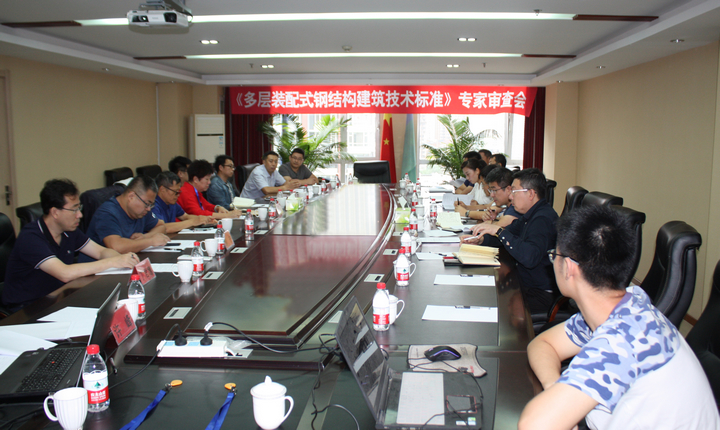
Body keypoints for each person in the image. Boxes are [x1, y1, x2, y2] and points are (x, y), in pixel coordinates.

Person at [518, 206, 720, 430]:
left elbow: (533, 425)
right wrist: (555, 389)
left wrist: (556, 407)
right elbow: (543, 344)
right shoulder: (628, 305)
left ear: (568, 267)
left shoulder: (622, 339)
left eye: (554, 255)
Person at [2, 179, 140, 310]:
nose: (79, 215)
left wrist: (122, 259)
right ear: (55, 212)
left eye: (79, 208)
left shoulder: (69, 230)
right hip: (26, 307)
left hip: (57, 297)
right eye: (74, 210)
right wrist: (112, 262)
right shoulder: (31, 237)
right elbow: (64, 273)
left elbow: (100, 252)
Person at [465, 168, 558, 314]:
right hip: (524, 283)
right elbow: (508, 234)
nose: (510, 197)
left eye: (514, 191)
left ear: (531, 193)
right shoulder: (530, 215)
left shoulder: (542, 219)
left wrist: (499, 231)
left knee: (486, 302)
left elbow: (529, 257)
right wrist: (480, 239)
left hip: (539, 294)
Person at [84, 176, 169, 257]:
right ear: (131, 196)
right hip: (98, 266)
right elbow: (116, 247)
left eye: (151, 205)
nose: (149, 209)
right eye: (147, 204)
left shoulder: (142, 211)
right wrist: (150, 241)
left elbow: (161, 226)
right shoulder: (107, 213)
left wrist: (145, 236)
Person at [177, 160, 243, 219]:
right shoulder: (185, 192)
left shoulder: (194, 190)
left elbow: (206, 205)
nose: (209, 182)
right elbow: (198, 214)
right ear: (195, 179)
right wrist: (227, 215)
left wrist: (217, 207)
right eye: (207, 179)